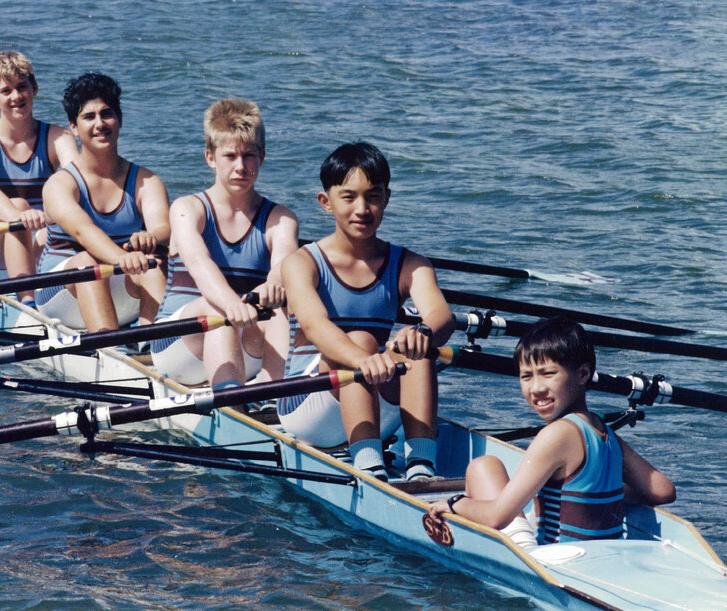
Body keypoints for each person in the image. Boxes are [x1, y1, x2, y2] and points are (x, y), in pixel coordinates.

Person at [278, 142, 454, 482]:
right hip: (307, 408)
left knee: (416, 345)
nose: (362, 208)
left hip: (374, 393)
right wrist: (363, 359)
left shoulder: (410, 263)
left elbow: (440, 314)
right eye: (349, 197)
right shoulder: (301, 263)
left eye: (373, 196)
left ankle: (421, 464)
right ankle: (370, 464)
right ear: (325, 202)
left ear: (387, 198)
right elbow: (315, 326)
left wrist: (423, 333)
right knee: (360, 339)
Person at [427, 317, 676, 547]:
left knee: (481, 469)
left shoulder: (556, 434)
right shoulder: (604, 432)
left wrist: (453, 503)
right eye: (526, 377)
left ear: (583, 374)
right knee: (485, 466)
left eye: (548, 374)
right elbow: (663, 490)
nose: (536, 388)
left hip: (555, 560)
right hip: (603, 555)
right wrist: (600, 500)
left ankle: (521, 542)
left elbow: (496, 518)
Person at [150, 98, 299, 389]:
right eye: (230, 156)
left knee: (283, 305)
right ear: (210, 158)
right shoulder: (187, 209)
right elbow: (199, 263)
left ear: (262, 157)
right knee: (216, 307)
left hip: (244, 338)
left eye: (249, 156)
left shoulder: (281, 219)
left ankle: (271, 392)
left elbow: (283, 264)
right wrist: (232, 304)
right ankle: (232, 403)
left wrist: (273, 286)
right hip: (180, 345)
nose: (240, 167)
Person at [36, 72, 170, 332]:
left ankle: (152, 348)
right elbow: (84, 232)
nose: (100, 123)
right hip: (62, 295)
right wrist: (122, 257)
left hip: (120, 286)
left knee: (154, 263)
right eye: (88, 117)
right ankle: (110, 347)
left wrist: (150, 237)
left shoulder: (147, 180)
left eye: (106, 114)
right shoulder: (60, 185)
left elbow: (164, 227)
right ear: (74, 127)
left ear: (119, 119)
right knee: (89, 262)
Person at [0, 51, 79, 306]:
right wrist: (21, 219)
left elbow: (78, 185)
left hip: (37, 242)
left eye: (22, 87)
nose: (16, 97)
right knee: (18, 206)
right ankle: (28, 304)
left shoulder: (59, 138)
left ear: (34, 89)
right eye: (6, 91)